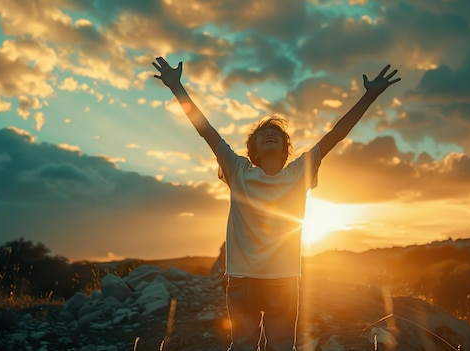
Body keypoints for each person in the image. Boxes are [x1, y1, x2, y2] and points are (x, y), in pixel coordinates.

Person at [152, 57, 400, 351]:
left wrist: (369, 95)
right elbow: (205, 129)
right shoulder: (237, 169)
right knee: (243, 346)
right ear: (253, 150)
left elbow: (336, 134)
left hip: (283, 280)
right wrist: (177, 87)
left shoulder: (299, 171)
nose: (269, 134)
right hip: (242, 280)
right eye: (261, 134)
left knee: (282, 348)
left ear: (285, 150)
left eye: (277, 135)